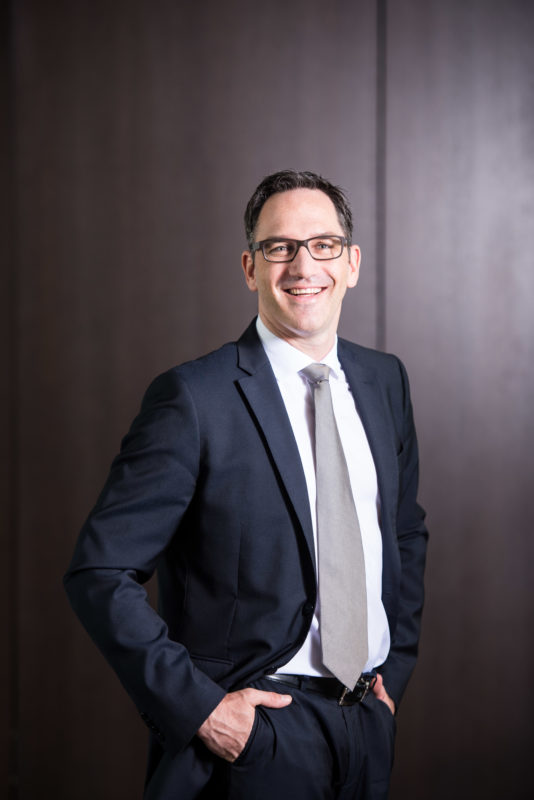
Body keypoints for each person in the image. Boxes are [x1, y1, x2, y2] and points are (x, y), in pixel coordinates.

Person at [64, 169, 428, 800]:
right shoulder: (194, 398)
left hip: (367, 719)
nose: (302, 264)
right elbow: (100, 573)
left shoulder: (384, 381)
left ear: (352, 263)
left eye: (323, 245)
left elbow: (403, 530)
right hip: (258, 739)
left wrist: (393, 672)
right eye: (278, 247)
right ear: (249, 267)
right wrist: (205, 711)